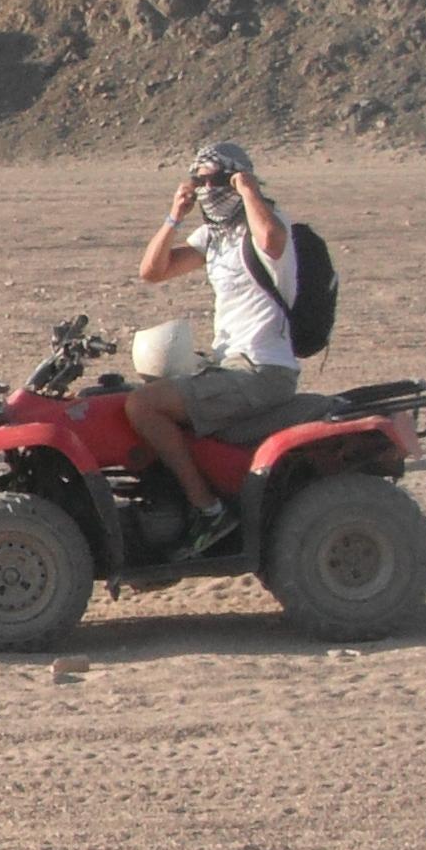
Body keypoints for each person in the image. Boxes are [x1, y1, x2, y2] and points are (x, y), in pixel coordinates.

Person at [124, 138, 299, 554]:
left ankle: (209, 509)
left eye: (213, 180)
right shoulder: (214, 237)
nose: (206, 189)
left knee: (143, 406)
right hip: (230, 364)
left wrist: (249, 190)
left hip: (261, 368)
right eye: (198, 181)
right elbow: (153, 271)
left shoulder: (266, 223)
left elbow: (272, 241)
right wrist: (174, 217)